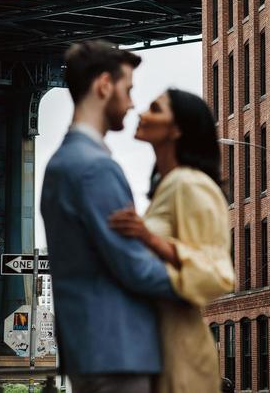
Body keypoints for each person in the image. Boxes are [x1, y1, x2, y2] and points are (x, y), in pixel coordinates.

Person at [40, 40, 177, 393]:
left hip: (90, 347)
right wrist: (200, 274)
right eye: (128, 89)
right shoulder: (95, 168)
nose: (132, 103)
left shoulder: (62, 163)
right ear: (104, 85)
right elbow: (133, 266)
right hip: (119, 350)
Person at [109, 88, 235, 393]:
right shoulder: (168, 185)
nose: (141, 112)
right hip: (154, 349)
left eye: (155, 108)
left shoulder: (190, 184)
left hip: (180, 355)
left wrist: (147, 237)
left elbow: (218, 274)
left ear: (177, 129)